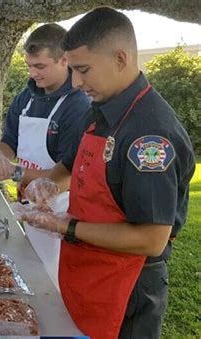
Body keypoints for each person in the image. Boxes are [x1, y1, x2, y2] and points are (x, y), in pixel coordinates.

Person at [15, 7, 195, 339]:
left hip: (126, 287)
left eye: (83, 70)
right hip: (87, 273)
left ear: (121, 58)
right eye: (72, 70)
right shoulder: (101, 108)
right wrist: (48, 183)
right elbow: (70, 166)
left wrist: (65, 226)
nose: (76, 82)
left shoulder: (149, 134)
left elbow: (151, 239)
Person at [0, 24, 90, 286]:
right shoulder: (25, 98)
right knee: (32, 270)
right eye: (29, 66)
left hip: (63, 208)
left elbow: (66, 176)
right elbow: (9, 142)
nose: (33, 73)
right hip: (28, 201)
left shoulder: (78, 105)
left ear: (64, 60)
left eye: (41, 66)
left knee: (54, 281)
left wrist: (13, 172)